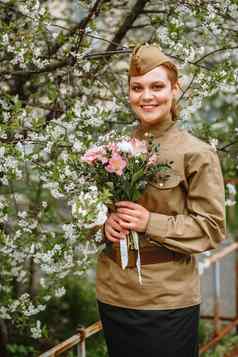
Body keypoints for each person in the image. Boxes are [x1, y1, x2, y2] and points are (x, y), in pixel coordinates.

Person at [96, 44, 226, 357]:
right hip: (113, 292)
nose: (146, 96)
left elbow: (212, 228)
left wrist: (148, 222)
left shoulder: (196, 153)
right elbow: (96, 209)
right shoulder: (114, 150)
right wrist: (104, 226)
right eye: (137, 88)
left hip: (166, 300)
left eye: (157, 86)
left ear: (175, 89)